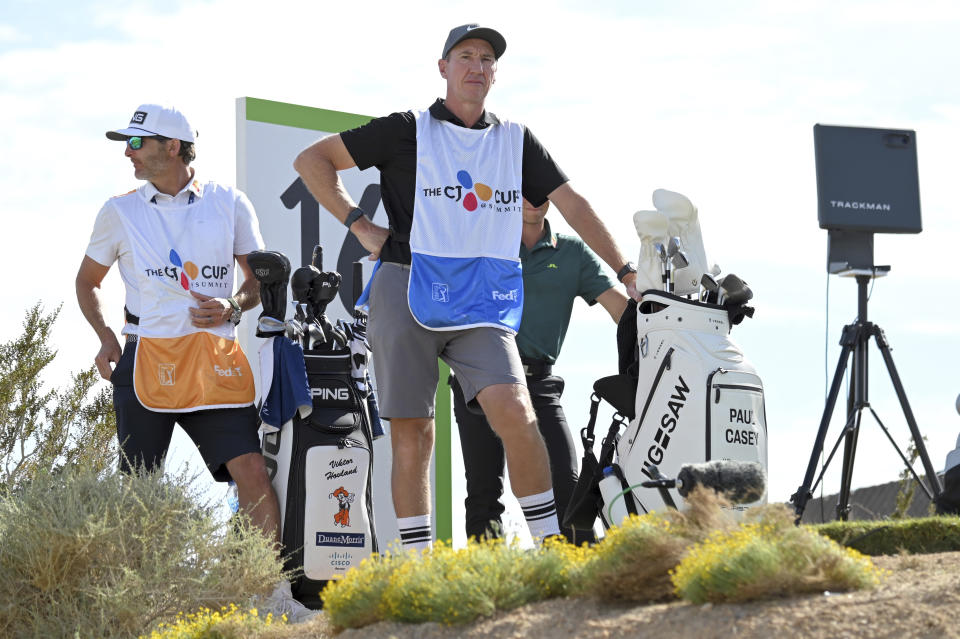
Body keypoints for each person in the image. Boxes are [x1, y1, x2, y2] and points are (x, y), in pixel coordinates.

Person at [293, 24, 640, 549]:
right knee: (415, 432)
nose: (477, 66)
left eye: (486, 59)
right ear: (444, 68)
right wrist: (360, 224)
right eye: (465, 56)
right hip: (405, 288)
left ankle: (550, 548)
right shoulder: (405, 128)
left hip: (481, 303)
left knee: (517, 413)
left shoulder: (516, 141)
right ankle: (418, 565)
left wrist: (626, 272)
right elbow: (312, 160)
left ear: (495, 74)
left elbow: (573, 205)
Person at [75, 104, 315, 623]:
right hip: (145, 360)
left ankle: (271, 596)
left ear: (174, 147)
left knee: (251, 470)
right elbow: (86, 282)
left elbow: (256, 281)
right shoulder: (118, 210)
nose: (128, 152)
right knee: (139, 487)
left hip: (213, 360)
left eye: (138, 143)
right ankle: (137, 610)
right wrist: (104, 337)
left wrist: (232, 305)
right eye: (128, 143)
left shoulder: (230, 202)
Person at [452, 198, 628, 545]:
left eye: (542, 192)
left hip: (540, 383)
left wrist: (661, 321)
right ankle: (491, 590)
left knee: (568, 487)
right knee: (484, 497)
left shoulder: (572, 253)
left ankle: (577, 581)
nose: (534, 201)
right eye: (525, 191)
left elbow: (620, 310)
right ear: (510, 194)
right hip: (479, 380)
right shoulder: (484, 243)